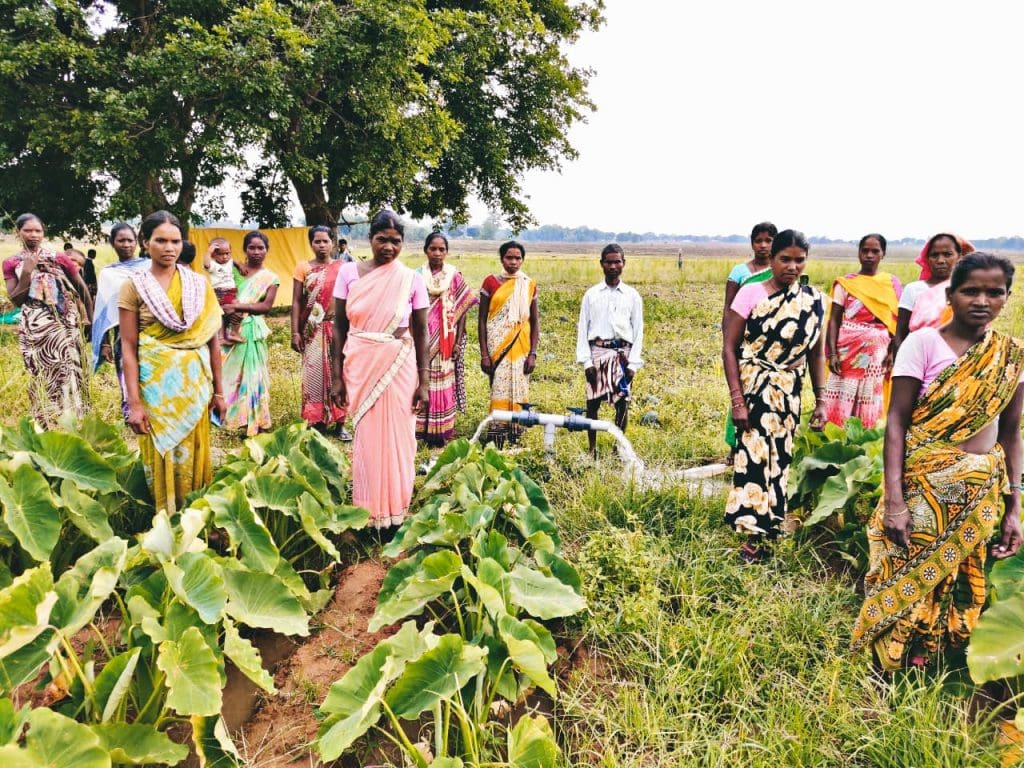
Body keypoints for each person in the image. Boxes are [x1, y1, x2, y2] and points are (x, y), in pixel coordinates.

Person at [851, 253, 1024, 670]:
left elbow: (1012, 432)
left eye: (994, 292)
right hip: (923, 487)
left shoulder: (1011, 355)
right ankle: (886, 661)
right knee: (906, 574)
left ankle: (928, 658)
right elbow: (897, 422)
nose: (982, 300)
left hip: (979, 492)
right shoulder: (923, 343)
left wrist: (1015, 503)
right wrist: (894, 501)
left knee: (957, 581)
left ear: (1007, 297)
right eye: (971, 291)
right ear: (951, 294)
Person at [722, 229, 827, 562]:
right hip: (755, 388)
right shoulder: (751, 293)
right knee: (753, 458)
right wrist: (737, 400)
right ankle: (753, 537)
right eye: (785, 259)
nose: (792, 267)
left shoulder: (812, 300)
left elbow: (816, 355)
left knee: (779, 460)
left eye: (799, 260)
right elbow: (729, 347)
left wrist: (821, 400)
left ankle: (771, 527)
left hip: (788, 392)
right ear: (773, 259)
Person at [119, 211, 224, 514]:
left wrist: (219, 393)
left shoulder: (198, 285)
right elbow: (128, 345)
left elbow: (211, 340)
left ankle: (194, 517)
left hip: (194, 386)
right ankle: (164, 517)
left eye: (175, 241)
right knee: (160, 451)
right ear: (145, 242)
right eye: (161, 240)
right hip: (154, 388)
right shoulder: (134, 286)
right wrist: (134, 403)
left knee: (195, 450)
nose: (169, 248)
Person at [330, 210, 429, 528]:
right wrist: (336, 377)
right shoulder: (348, 273)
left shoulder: (411, 279)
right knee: (368, 440)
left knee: (401, 438)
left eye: (395, 241)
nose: (388, 246)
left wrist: (424, 381)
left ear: (403, 243)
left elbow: (422, 331)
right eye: (381, 239)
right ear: (369, 239)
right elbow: (339, 329)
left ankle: (397, 512)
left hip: (400, 365)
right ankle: (368, 513)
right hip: (361, 364)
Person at [3, 213, 93, 428]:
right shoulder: (11, 263)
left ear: (43, 233)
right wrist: (26, 271)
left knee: (70, 370)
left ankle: (76, 421)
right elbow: (16, 299)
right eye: (28, 230)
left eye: (38, 231)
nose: (34, 235)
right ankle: (47, 421)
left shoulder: (59, 258)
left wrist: (88, 318)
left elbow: (81, 289)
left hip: (64, 325)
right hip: (35, 328)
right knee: (41, 372)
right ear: (18, 232)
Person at [821, 233, 902, 429]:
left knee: (869, 395)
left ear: (883, 254)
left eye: (875, 251)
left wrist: (893, 352)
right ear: (858, 253)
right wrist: (831, 353)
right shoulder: (845, 283)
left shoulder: (891, 284)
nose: (869, 255)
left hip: (877, 355)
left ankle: (865, 438)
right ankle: (834, 434)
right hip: (846, 352)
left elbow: (896, 321)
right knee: (841, 392)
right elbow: (834, 320)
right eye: (865, 250)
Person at [576, 243, 644, 454]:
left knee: (622, 405)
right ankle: (592, 449)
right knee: (593, 404)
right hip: (597, 352)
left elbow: (638, 330)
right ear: (601, 264)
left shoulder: (632, 296)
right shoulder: (592, 295)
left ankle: (618, 448)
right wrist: (586, 361)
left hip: (622, 354)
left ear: (624, 264)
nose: (613, 266)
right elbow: (582, 328)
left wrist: (633, 364)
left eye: (617, 262)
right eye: (609, 262)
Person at [415, 232, 477, 446]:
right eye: (433, 248)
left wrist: (458, 341)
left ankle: (441, 431)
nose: (437, 253)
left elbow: (462, 309)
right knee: (421, 380)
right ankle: (420, 430)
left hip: (445, 342)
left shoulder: (454, 276)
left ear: (447, 252)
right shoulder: (416, 275)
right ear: (426, 250)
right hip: (421, 339)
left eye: (442, 249)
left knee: (442, 382)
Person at [723, 222, 778, 452]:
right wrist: (729, 342)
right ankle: (736, 447)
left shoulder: (782, 272)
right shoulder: (740, 272)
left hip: (773, 344)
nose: (763, 245)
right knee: (741, 393)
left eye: (768, 240)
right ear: (752, 243)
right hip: (745, 341)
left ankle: (767, 445)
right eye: (758, 240)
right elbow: (729, 309)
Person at [478, 240, 539, 446]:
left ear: (522, 260)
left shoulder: (529, 284)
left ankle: (516, 432)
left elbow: (535, 322)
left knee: (520, 387)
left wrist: (533, 354)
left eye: (517, 258)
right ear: (501, 259)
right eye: (509, 258)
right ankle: (496, 435)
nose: (513, 262)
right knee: (498, 387)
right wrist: (485, 354)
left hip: (521, 346)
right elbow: (482, 320)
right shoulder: (490, 282)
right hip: (497, 345)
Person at [220, 230, 280, 436]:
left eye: (260, 248)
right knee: (229, 372)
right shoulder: (233, 271)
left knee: (254, 375)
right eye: (252, 247)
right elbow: (219, 287)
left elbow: (266, 306)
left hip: (252, 330)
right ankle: (229, 415)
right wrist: (228, 309)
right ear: (245, 249)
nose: (256, 252)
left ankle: (254, 418)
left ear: (267, 250)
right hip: (229, 327)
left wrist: (239, 307)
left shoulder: (271, 278)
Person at [292, 225, 348, 435]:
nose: (322, 245)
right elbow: (297, 302)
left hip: (338, 327)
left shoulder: (343, 267)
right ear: (311, 244)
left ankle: (340, 422)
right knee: (313, 374)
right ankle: (317, 422)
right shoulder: (303, 268)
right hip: (312, 329)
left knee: (340, 373)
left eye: (325, 241)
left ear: (332, 242)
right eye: (317, 241)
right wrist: (295, 332)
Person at [92, 223, 151, 415]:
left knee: (150, 370)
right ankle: (130, 411)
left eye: (130, 240)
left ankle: (153, 411)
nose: (126, 244)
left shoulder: (149, 266)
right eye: (121, 240)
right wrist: (105, 343)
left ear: (137, 243)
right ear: (112, 243)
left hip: (150, 329)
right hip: (122, 333)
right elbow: (103, 311)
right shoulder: (108, 274)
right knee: (126, 370)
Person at [894, 233, 973, 351]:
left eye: (947, 254)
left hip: (958, 359)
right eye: (934, 255)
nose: (940, 260)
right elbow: (900, 335)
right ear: (927, 258)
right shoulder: (913, 289)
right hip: (918, 357)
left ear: (959, 256)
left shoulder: (969, 290)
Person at [203, 237, 244, 343]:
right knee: (239, 309)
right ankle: (234, 333)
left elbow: (233, 261)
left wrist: (239, 266)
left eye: (227, 253)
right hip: (222, 292)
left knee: (220, 315)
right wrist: (208, 251)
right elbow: (206, 264)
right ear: (213, 255)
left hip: (229, 292)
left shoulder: (229, 262)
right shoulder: (213, 265)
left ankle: (220, 338)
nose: (225, 257)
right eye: (221, 254)